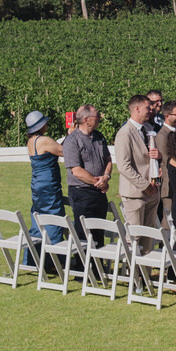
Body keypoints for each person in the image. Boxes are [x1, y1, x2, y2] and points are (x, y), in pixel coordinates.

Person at [61, 104, 111, 245]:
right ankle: (82, 264)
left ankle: (98, 265)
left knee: (99, 231)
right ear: (86, 120)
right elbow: (76, 170)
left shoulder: (99, 137)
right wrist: (99, 183)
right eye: (97, 115)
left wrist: (106, 177)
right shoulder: (72, 140)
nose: (100, 118)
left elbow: (108, 159)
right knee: (84, 232)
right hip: (82, 192)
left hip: (99, 192)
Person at [24, 110, 66, 263]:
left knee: (38, 217)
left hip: (37, 184)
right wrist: (72, 135)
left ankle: (34, 258)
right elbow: (63, 151)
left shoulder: (31, 141)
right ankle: (55, 260)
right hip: (49, 184)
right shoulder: (44, 140)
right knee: (53, 217)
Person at [114, 95, 160, 230]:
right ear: (137, 109)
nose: (151, 110)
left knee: (149, 235)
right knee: (134, 236)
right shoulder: (125, 133)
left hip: (152, 192)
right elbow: (124, 166)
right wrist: (145, 185)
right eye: (148, 107)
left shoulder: (146, 129)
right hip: (135, 194)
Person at [154, 99, 176, 223]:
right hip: (169, 185)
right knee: (168, 222)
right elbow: (168, 159)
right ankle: (165, 243)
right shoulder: (162, 136)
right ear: (167, 116)